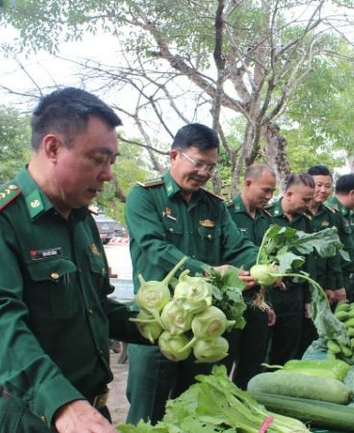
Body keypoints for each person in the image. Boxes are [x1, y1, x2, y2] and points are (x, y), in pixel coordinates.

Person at [0, 87, 149, 433]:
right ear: (52, 147)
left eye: (112, 161)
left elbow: (97, 308)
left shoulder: (82, 220)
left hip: (89, 413)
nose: (108, 174)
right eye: (98, 158)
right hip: (30, 416)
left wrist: (159, 325)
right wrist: (62, 403)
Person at [124, 123, 258, 424]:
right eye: (198, 163)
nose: (204, 173)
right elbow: (154, 247)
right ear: (174, 155)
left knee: (195, 410)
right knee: (147, 415)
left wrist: (261, 266)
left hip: (202, 327)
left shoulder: (214, 206)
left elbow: (237, 246)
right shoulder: (144, 197)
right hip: (157, 326)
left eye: (210, 167)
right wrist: (207, 271)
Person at [224, 163, 276, 389]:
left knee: (252, 365)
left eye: (272, 191)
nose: (269, 196)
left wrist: (268, 304)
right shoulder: (225, 213)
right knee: (221, 362)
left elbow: (268, 267)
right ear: (248, 183)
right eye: (265, 190)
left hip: (257, 303)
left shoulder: (267, 220)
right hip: (230, 302)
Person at [264, 173, 315, 365]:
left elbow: (310, 261)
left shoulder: (306, 223)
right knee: (263, 348)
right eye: (305, 200)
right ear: (289, 194)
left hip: (295, 295)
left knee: (288, 348)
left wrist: (309, 299)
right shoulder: (266, 216)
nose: (309, 205)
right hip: (270, 293)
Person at [296, 165, 345, 355]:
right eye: (318, 185)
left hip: (321, 285)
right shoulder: (295, 211)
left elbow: (334, 254)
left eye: (327, 186)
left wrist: (335, 285)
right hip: (297, 284)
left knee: (315, 334)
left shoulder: (332, 217)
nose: (323, 191)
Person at [328, 174, 354, 302]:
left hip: (348, 277)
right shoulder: (331, 213)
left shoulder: (347, 213)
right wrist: (337, 284)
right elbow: (331, 252)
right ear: (352, 193)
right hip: (337, 280)